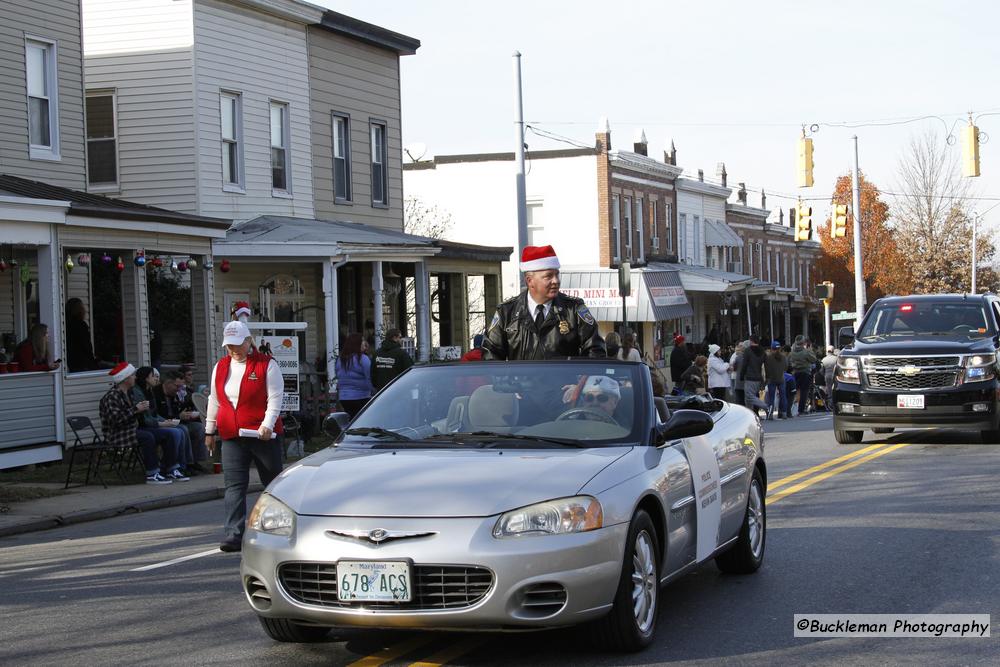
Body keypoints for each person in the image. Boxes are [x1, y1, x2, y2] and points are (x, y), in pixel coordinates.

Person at [205, 320, 285, 553]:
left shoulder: (266, 365)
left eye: (238, 344)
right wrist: (209, 430)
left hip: (262, 435)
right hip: (232, 434)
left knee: (272, 484)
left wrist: (268, 424)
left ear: (249, 341)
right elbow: (214, 399)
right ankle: (233, 533)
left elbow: (275, 397)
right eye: (229, 346)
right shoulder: (220, 367)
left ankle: (277, 528)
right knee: (234, 486)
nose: (234, 350)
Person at [482, 245, 606, 360]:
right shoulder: (506, 312)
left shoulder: (573, 309)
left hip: (564, 383)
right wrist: (505, 383)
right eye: (549, 276)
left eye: (557, 275)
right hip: (518, 384)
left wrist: (579, 382)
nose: (556, 281)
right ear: (530, 281)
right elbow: (490, 354)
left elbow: (595, 349)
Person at [99, 361, 176, 484]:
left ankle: (169, 469)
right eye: (132, 375)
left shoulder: (129, 393)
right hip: (118, 434)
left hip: (132, 430)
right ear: (125, 378)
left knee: (169, 434)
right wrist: (136, 409)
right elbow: (116, 420)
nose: (135, 377)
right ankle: (152, 473)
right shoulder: (112, 396)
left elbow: (135, 414)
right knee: (148, 437)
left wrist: (144, 410)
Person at [132, 367, 193, 479]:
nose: (157, 379)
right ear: (145, 378)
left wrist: (164, 421)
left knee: (179, 430)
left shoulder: (149, 391)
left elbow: (154, 414)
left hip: (152, 424)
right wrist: (161, 424)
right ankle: (171, 467)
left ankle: (176, 467)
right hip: (144, 427)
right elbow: (145, 418)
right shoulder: (138, 392)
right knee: (174, 432)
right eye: (154, 376)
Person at [157, 369, 208, 471]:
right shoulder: (157, 394)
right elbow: (161, 415)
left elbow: (180, 410)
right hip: (165, 424)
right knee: (183, 429)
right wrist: (179, 416)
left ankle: (195, 461)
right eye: (177, 386)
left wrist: (185, 412)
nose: (178, 389)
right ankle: (185, 464)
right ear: (168, 383)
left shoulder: (176, 394)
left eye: (180, 386)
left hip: (178, 422)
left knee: (199, 428)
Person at [335, 332, 373, 418]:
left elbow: (338, 374)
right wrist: (373, 391)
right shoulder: (363, 358)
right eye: (362, 340)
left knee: (352, 421)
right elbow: (369, 377)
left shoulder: (341, 359)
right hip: (361, 396)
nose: (365, 343)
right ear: (357, 343)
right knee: (362, 421)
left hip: (344, 397)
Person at [65, 298, 99, 371]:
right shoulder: (81, 325)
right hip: (84, 363)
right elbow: (86, 345)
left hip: (71, 362)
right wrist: (92, 361)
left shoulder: (65, 325)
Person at [789, 335, 818, 416]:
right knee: (804, 391)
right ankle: (801, 409)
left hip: (795, 372)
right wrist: (810, 350)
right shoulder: (806, 352)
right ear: (803, 343)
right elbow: (814, 359)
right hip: (805, 372)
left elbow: (789, 361)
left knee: (796, 391)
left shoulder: (792, 352)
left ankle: (792, 408)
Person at [739, 336, 769, 415]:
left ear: (751, 341)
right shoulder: (763, 351)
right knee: (749, 398)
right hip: (759, 378)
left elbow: (744, 364)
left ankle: (766, 406)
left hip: (750, 377)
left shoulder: (748, 351)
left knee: (749, 397)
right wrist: (767, 378)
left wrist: (741, 375)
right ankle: (750, 414)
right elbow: (766, 365)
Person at [763, 341, 789, 420]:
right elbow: (786, 368)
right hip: (781, 378)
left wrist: (767, 378)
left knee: (771, 397)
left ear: (771, 348)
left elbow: (766, 368)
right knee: (783, 396)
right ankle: (784, 413)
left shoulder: (768, 357)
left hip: (771, 379)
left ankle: (770, 414)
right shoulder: (783, 357)